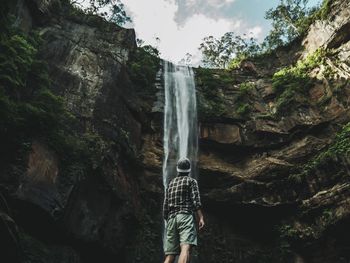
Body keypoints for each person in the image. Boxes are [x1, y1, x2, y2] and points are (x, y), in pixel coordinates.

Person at [163, 157, 205, 263]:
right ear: (189, 170)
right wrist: (201, 218)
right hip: (185, 217)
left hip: (171, 219)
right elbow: (196, 201)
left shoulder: (171, 183)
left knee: (170, 256)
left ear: (177, 169)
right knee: (185, 248)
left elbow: (165, 205)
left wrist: (167, 221)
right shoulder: (191, 181)